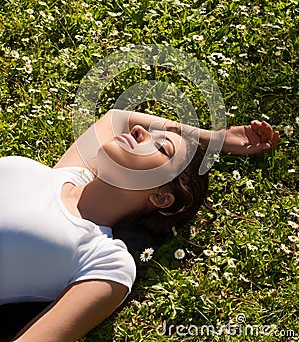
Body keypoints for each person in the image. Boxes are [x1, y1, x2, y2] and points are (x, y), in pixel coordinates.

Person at [0, 109, 279, 342]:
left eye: (160, 147)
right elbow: (117, 118)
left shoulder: (105, 260)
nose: (139, 132)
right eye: (150, 133)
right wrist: (216, 139)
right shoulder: (64, 174)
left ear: (161, 196)